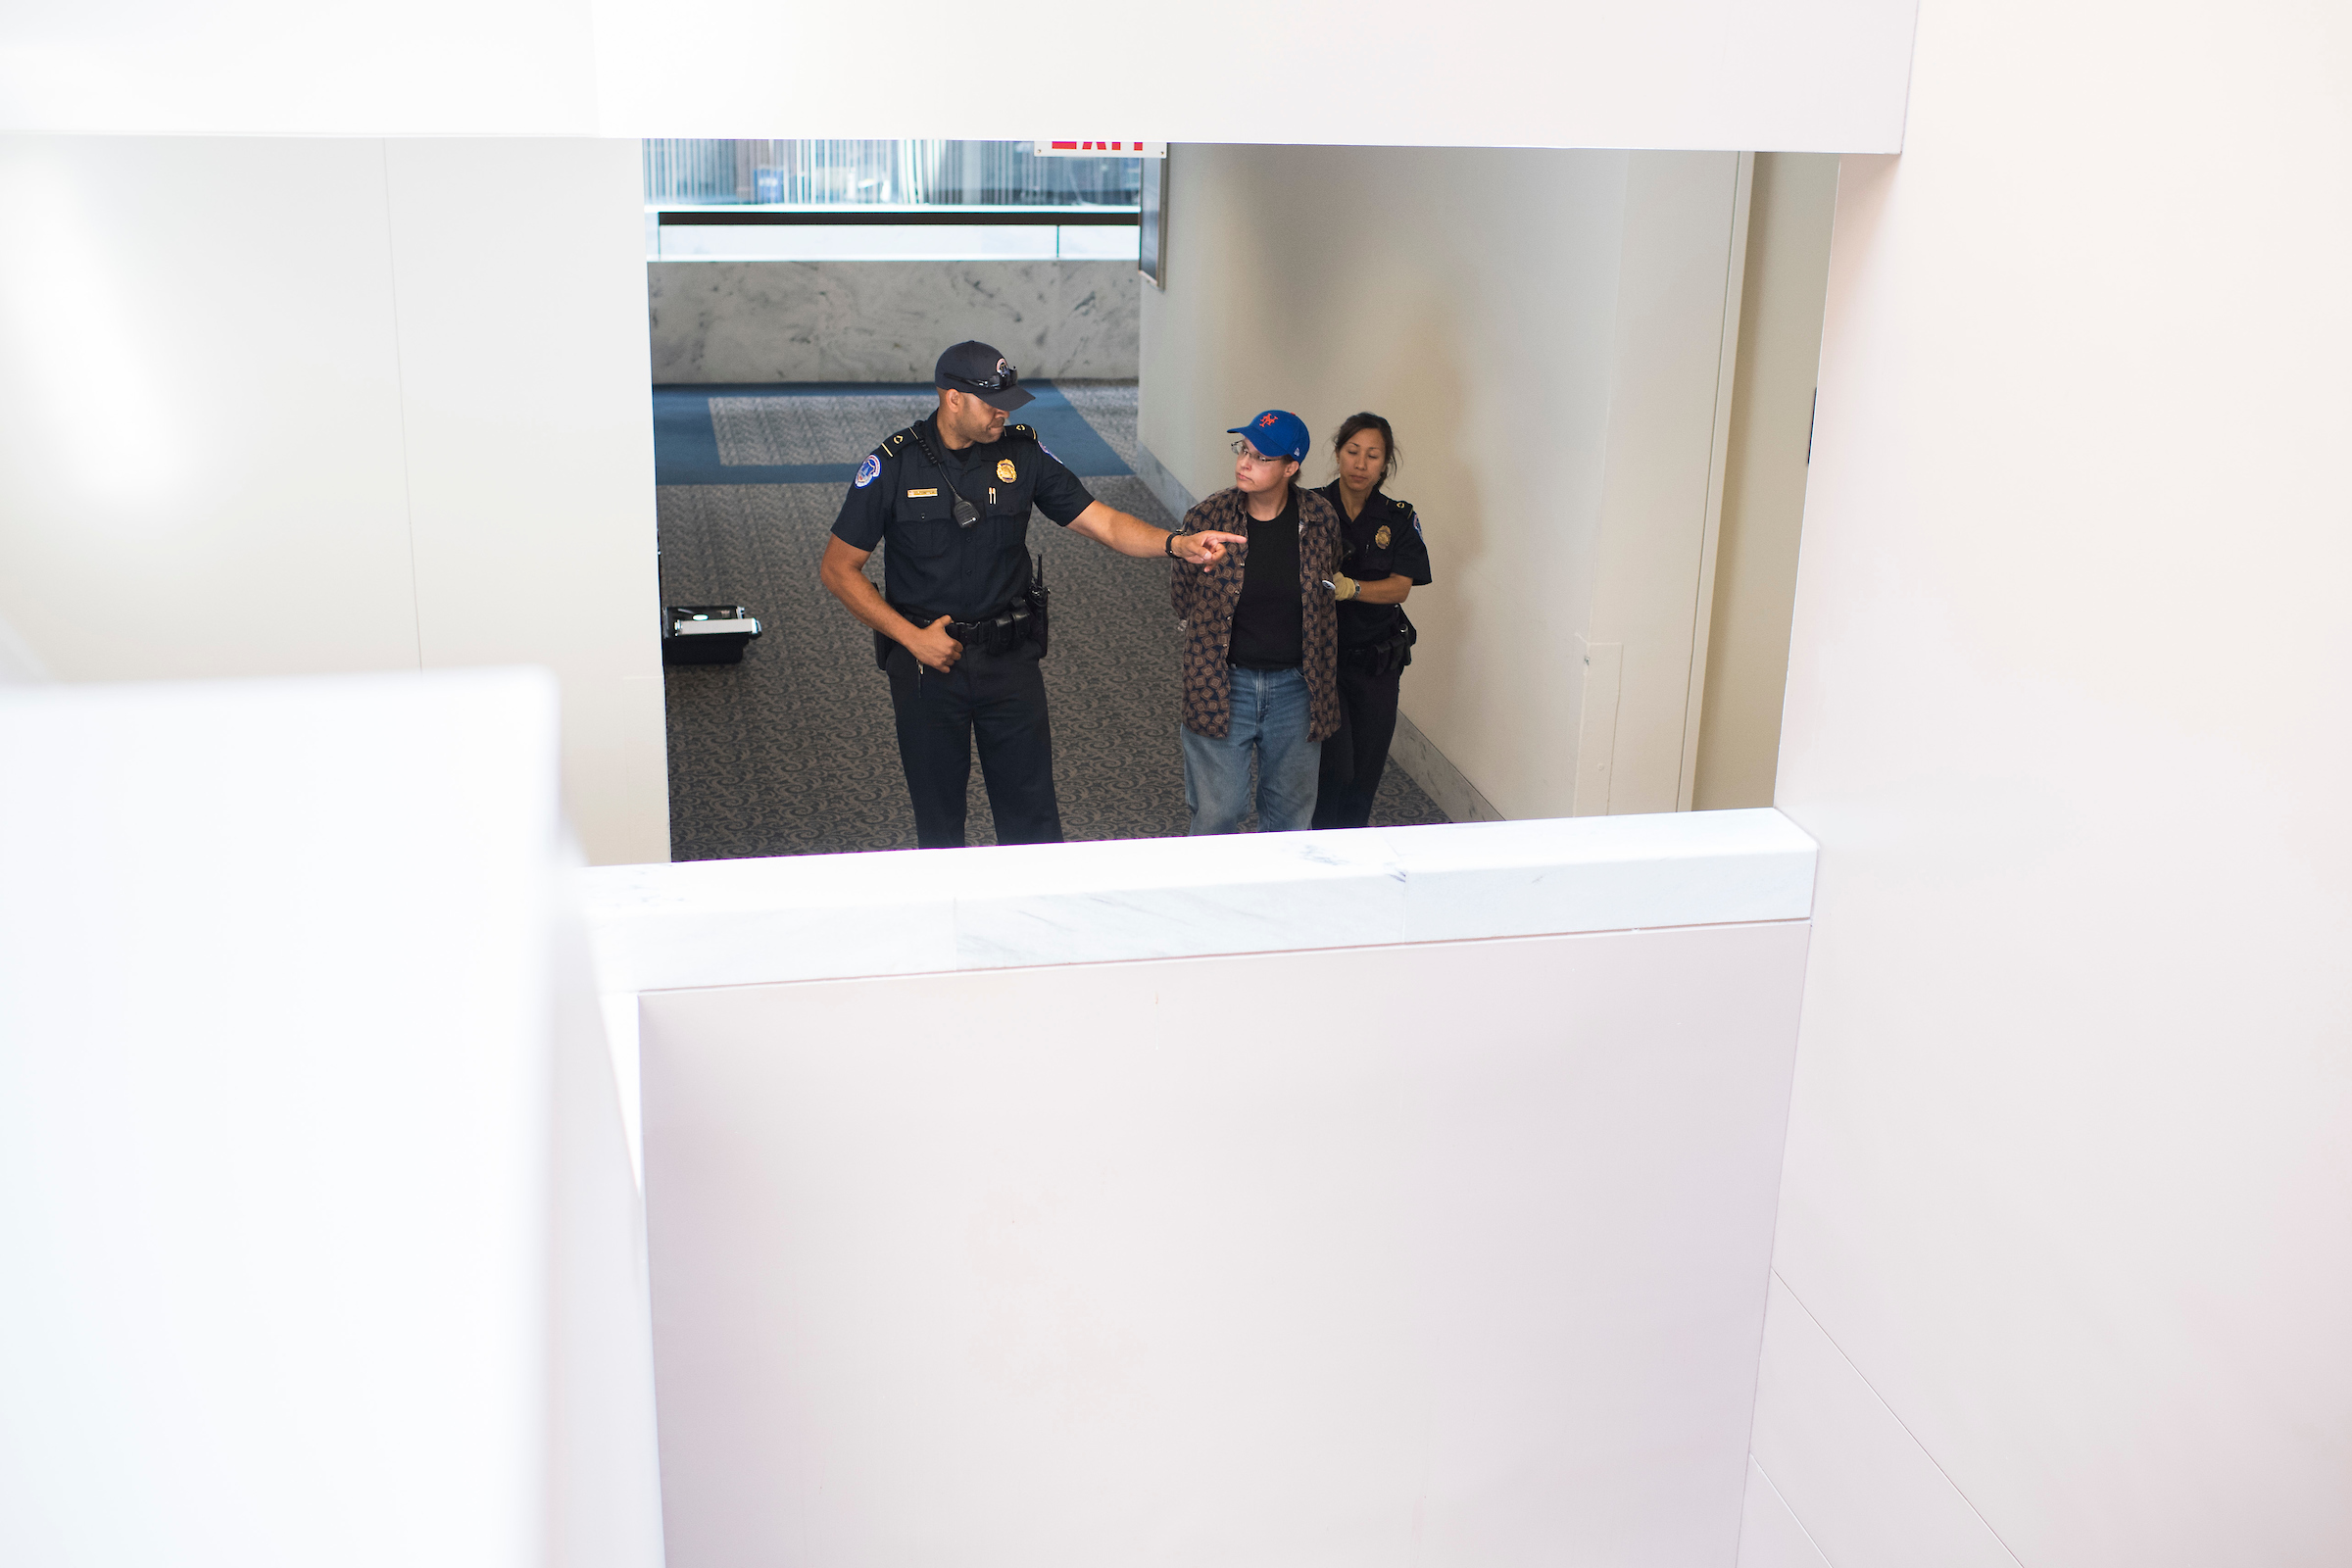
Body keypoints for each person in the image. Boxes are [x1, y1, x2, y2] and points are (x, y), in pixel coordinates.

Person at [819, 341, 1244, 849]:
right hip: (927, 666)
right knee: (938, 822)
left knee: (1032, 821)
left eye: (1008, 399)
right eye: (990, 400)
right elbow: (839, 569)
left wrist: (1177, 544)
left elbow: (1104, 522)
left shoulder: (1021, 453)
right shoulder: (893, 465)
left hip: (1009, 661)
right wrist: (912, 639)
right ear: (952, 398)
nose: (1004, 411)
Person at [1169, 410, 1346, 834]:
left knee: (1289, 819)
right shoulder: (1207, 518)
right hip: (1222, 683)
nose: (1245, 463)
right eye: (1244, 450)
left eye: (1262, 457)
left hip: (1296, 691)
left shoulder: (1321, 521)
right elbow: (1182, 598)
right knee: (1219, 813)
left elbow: (1327, 586)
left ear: (1291, 467)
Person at [1310, 413, 1434, 829]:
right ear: (1338, 454)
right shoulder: (1310, 508)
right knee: (1332, 771)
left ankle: (1352, 860)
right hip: (1323, 663)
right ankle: (1319, 851)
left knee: (1364, 774)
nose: (1360, 464)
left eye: (1373, 455)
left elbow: (1400, 587)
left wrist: (1353, 588)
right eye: (1353, 452)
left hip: (1377, 665)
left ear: (1385, 464)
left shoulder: (1397, 518)